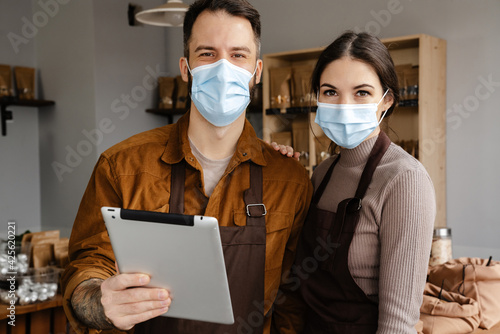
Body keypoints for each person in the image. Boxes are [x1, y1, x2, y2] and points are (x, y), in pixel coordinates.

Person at [60, 0, 312, 333]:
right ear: (185, 68)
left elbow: (292, 301)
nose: (223, 68)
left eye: (238, 55)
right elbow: (88, 265)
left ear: (257, 72)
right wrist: (99, 301)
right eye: (207, 53)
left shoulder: (289, 179)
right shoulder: (122, 165)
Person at [295, 31, 436, 333]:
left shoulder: (404, 180)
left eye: (361, 92)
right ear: (317, 98)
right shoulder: (321, 173)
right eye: (330, 92)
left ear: (386, 100)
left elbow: (398, 322)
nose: (345, 105)